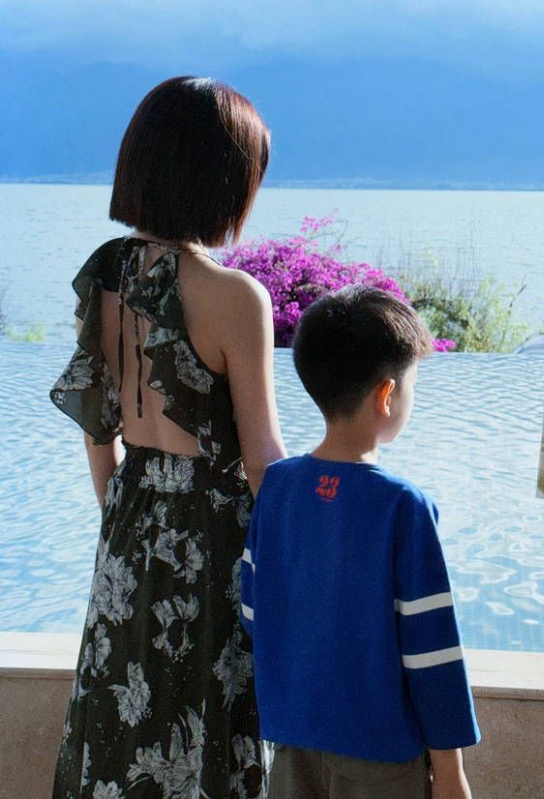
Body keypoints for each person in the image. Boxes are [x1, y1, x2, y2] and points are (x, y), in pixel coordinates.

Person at [50, 77, 286, 799]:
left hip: (129, 520)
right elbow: (262, 460)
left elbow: (98, 428)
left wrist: (122, 514)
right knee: (206, 721)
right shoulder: (235, 297)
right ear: (225, 180)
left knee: (117, 718)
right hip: (212, 537)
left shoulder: (105, 274)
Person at [241, 285, 480, 799]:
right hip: (382, 755)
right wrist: (450, 771)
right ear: (387, 395)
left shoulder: (277, 488)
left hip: (293, 743)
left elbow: (254, 613)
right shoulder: (403, 506)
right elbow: (431, 651)